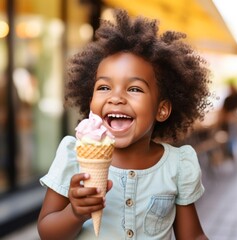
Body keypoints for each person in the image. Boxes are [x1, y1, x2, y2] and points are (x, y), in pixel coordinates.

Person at [37, 9, 211, 240]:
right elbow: (47, 232)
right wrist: (74, 213)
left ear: (162, 109)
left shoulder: (177, 166)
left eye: (134, 89)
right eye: (104, 87)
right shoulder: (73, 155)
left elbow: (193, 236)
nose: (116, 97)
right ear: (90, 101)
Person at [218, 82, 237, 160]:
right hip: (231, 122)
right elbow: (223, 112)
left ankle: (230, 153)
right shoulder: (228, 99)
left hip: (236, 123)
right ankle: (229, 153)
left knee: (232, 136)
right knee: (231, 136)